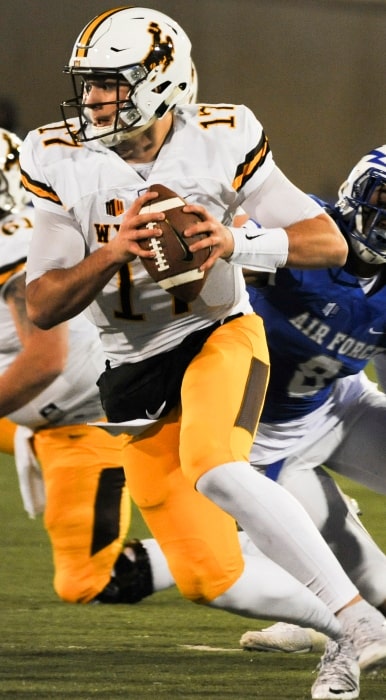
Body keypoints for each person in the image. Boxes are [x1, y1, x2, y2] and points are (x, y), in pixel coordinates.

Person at [20, 7, 386, 697]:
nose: (93, 99)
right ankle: (352, 626)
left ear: (161, 81)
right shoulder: (56, 155)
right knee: (204, 573)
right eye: (89, 83)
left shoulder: (223, 135)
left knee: (216, 468)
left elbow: (326, 242)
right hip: (131, 371)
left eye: (110, 83)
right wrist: (113, 252)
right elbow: (44, 304)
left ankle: (359, 620)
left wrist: (231, 242)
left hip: (218, 332)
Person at [0, 126, 174, 604]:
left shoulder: (14, 242)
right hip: (48, 422)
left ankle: (254, 536)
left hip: (88, 420)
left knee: (90, 581)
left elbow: (44, 358)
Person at [238, 145, 386, 662]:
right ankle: (310, 612)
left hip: (340, 405)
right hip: (265, 437)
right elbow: (227, 252)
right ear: (357, 193)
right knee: (377, 586)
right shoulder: (306, 232)